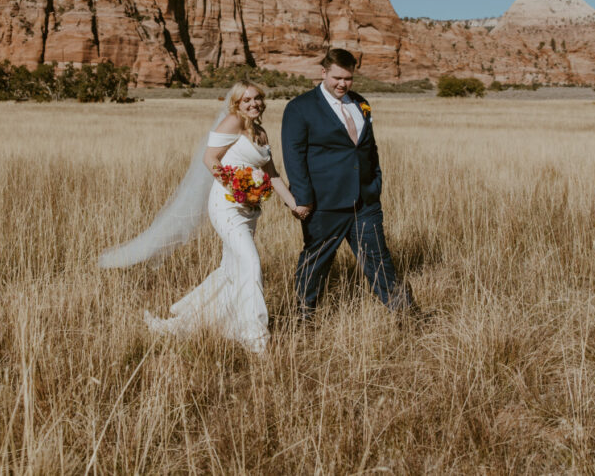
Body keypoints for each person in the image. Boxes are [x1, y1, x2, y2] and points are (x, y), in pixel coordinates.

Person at [99, 80, 303, 354]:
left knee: (233, 270)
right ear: (237, 104)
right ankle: (256, 339)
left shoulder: (261, 132)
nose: (253, 104)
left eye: (257, 98)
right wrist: (237, 187)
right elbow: (210, 159)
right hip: (226, 206)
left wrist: (293, 204)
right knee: (251, 263)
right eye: (246, 100)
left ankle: (191, 323)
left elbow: (272, 174)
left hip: (249, 212)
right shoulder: (232, 122)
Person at [281, 48, 413, 317]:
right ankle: (302, 318)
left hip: (365, 200)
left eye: (348, 78)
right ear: (323, 73)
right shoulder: (300, 107)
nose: (342, 84)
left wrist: (375, 183)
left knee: (379, 259)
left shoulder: (361, 103)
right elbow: (293, 157)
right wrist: (303, 200)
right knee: (316, 261)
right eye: (337, 78)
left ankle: (404, 313)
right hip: (323, 202)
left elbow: (369, 148)